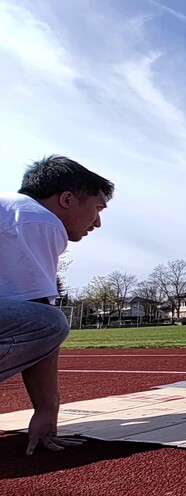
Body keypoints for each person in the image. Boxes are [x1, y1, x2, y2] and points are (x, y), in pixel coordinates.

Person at [0, 155, 114, 455]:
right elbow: (37, 315)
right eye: (98, 208)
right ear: (66, 199)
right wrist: (47, 412)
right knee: (49, 321)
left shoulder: (11, 211)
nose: (98, 222)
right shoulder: (36, 218)